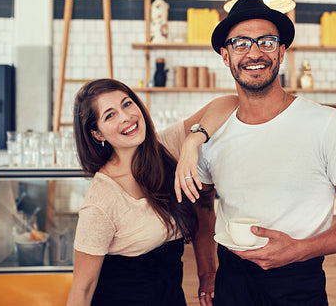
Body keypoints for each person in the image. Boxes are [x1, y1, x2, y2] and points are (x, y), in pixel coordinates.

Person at [177, 0, 336, 306]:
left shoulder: (327, 123)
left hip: (298, 283)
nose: (254, 52)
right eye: (241, 43)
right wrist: (207, 271)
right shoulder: (213, 129)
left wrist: (301, 249)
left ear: (281, 51)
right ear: (225, 55)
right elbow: (203, 205)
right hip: (231, 283)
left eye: (266, 41)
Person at [66, 78, 237, 305]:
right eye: (110, 115)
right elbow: (83, 290)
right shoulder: (101, 201)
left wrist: (192, 142)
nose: (126, 117)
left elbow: (230, 102)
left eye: (127, 104)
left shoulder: (166, 146)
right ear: (97, 134)